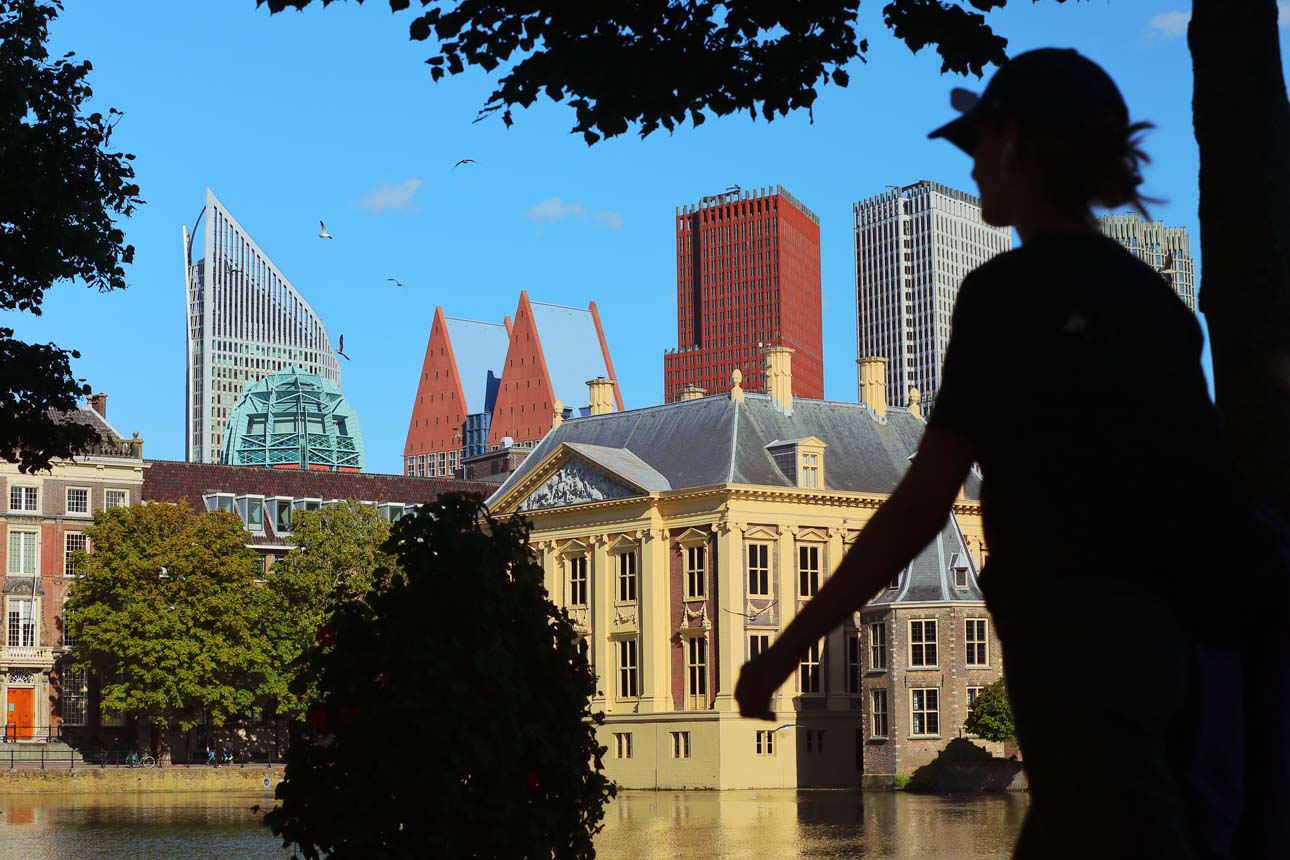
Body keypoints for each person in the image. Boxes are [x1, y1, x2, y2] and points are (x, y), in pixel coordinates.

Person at [734, 48, 1286, 859]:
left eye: (980, 143)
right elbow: (1210, 489)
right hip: (1167, 649)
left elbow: (922, 503)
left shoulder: (1004, 297)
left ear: (1020, 146)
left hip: (1073, 649)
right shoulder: (1157, 306)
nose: (972, 162)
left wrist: (787, 646)